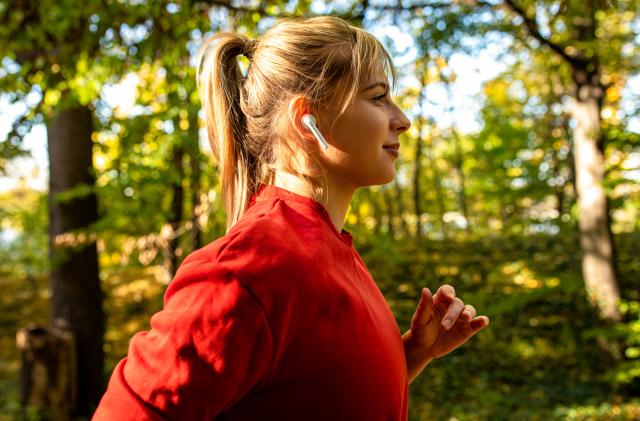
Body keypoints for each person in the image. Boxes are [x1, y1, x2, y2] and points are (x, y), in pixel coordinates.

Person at [93, 15, 489, 421]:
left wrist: (414, 354)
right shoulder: (246, 271)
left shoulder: (330, 248)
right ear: (307, 120)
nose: (402, 119)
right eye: (377, 97)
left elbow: (319, 399)